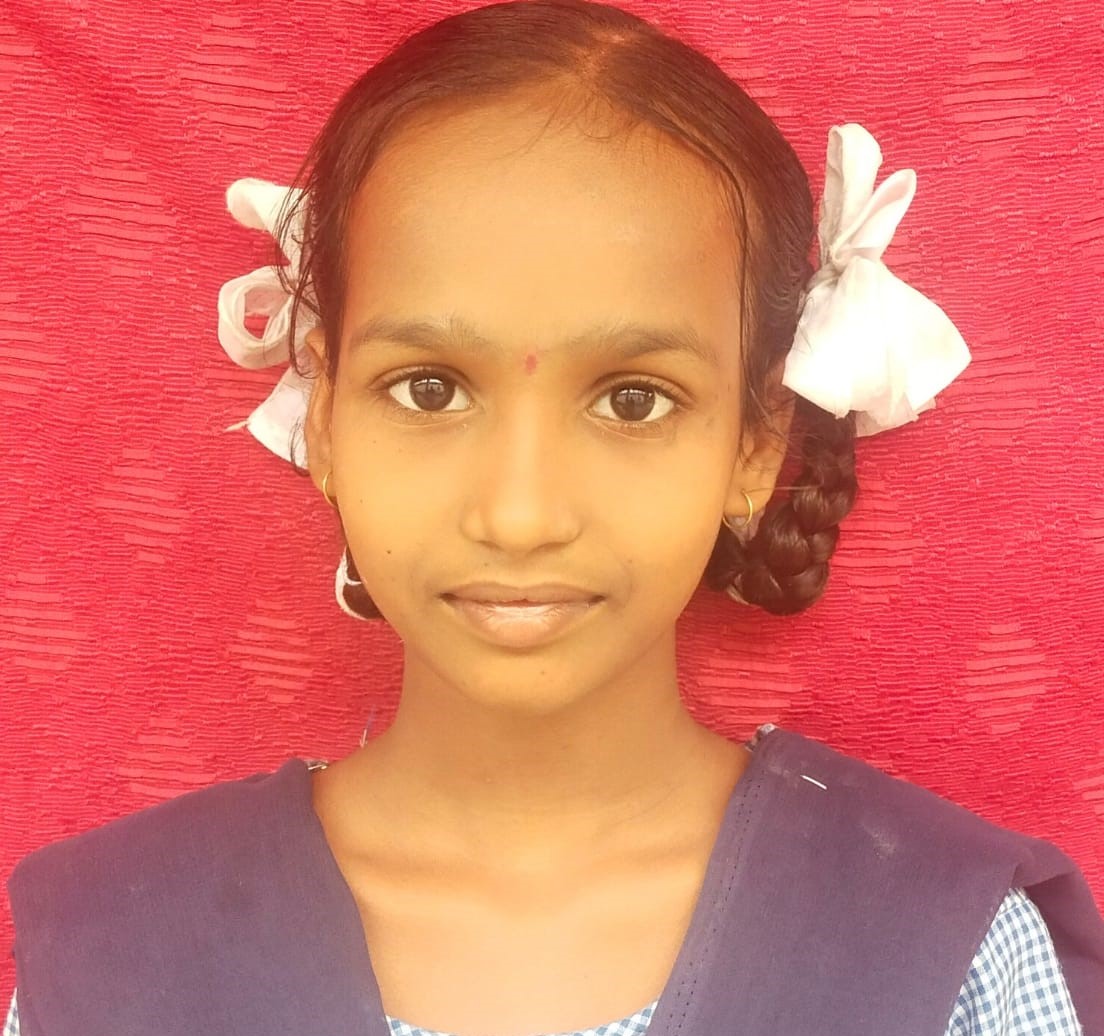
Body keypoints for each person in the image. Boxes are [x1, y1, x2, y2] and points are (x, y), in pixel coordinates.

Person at [5, 2, 1104, 1034]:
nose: (521, 514)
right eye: (428, 388)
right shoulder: (116, 966)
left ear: (756, 445)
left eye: (633, 401)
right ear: (325, 418)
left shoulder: (946, 952)